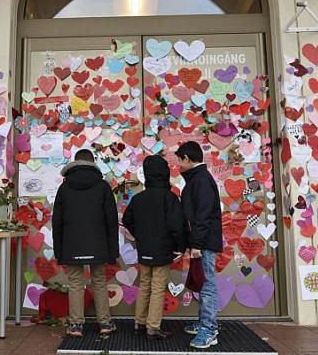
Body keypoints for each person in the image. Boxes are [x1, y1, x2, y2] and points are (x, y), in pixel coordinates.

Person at [52, 149, 119, 337]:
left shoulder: (64, 188)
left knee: (75, 282)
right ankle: (105, 323)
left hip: (72, 243)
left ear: (75, 163)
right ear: (93, 163)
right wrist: (113, 250)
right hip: (99, 242)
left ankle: (75, 325)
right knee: (99, 281)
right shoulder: (103, 186)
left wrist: (59, 251)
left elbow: (57, 221)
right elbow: (111, 220)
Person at [122, 155, 187, 340]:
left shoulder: (138, 198)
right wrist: (180, 247)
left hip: (144, 248)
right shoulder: (170, 198)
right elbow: (177, 226)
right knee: (158, 287)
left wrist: (140, 235)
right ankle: (153, 328)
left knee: (144, 285)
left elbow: (127, 220)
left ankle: (139, 322)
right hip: (163, 249)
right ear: (165, 174)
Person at [175, 141, 223, 349]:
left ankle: (209, 329)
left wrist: (196, 244)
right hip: (201, 240)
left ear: (186, 158)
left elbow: (202, 216)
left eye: (179, 159)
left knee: (207, 283)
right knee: (203, 281)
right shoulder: (197, 178)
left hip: (204, 241)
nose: (178, 163)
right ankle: (204, 322)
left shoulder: (201, 180)